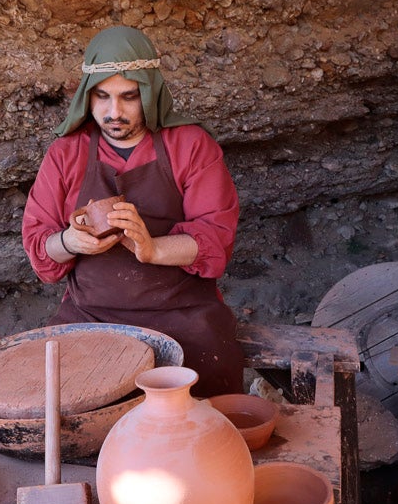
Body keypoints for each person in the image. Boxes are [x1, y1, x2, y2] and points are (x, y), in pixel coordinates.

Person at [21, 25, 245, 397]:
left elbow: (216, 239)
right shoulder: (66, 153)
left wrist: (153, 248)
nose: (114, 113)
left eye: (129, 96)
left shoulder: (190, 146)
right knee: (59, 396)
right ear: (86, 97)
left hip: (182, 314)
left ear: (151, 91)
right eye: (102, 97)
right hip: (90, 316)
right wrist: (71, 241)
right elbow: (40, 247)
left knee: (206, 399)